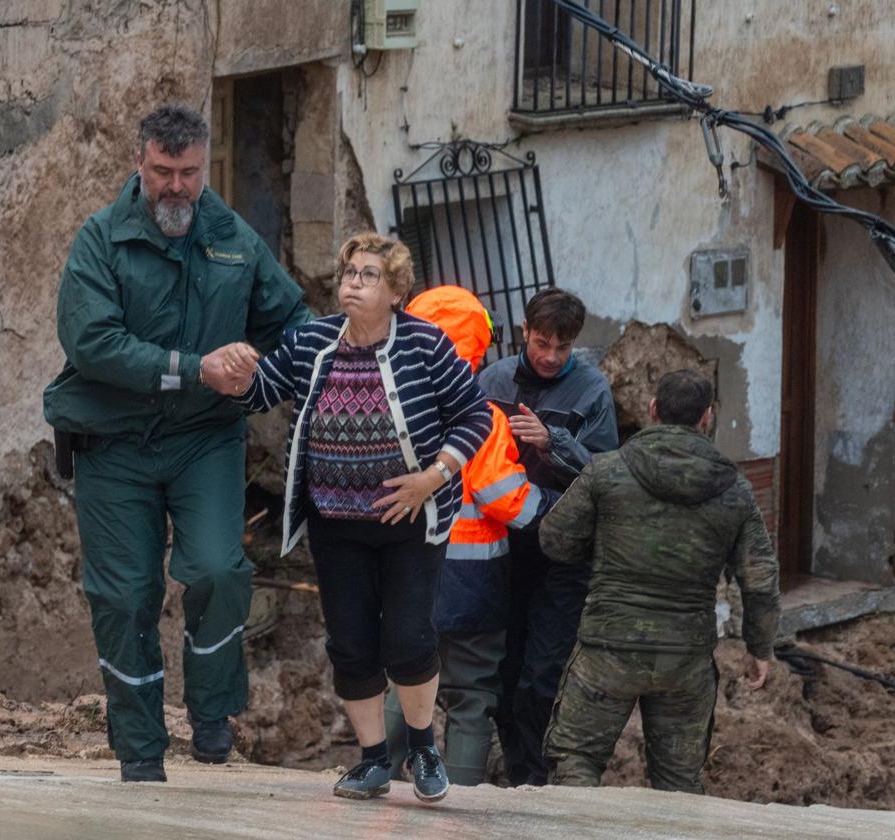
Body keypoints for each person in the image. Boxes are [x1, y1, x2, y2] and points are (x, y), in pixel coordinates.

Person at [42, 104, 309, 783]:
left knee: (219, 570)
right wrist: (195, 369)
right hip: (114, 442)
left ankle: (212, 716)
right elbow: (92, 342)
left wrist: (265, 377)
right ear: (141, 164)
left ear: (203, 167)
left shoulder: (232, 239)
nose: (176, 188)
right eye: (163, 172)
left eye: (189, 173)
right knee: (125, 594)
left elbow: (293, 322)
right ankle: (139, 752)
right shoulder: (101, 239)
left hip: (204, 439)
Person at [219, 234, 492, 803]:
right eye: (348, 273)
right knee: (350, 643)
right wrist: (241, 373)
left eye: (369, 275)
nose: (353, 283)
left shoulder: (425, 345)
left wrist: (433, 477)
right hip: (335, 523)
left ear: (397, 290)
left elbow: (474, 416)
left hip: (410, 521)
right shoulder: (312, 341)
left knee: (409, 638)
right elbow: (263, 391)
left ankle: (422, 748)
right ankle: (372, 761)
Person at [540, 369, 781, 792]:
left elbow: (555, 540)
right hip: (685, 659)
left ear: (652, 409)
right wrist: (759, 647)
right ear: (707, 417)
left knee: (575, 762)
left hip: (607, 649)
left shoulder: (607, 471)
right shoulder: (735, 490)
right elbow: (759, 577)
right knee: (679, 784)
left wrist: (604, 550)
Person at [383, 286, 557, 786]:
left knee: (404, 683)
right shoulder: (482, 416)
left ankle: (379, 778)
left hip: (403, 579)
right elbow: (511, 502)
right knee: (471, 695)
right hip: (471, 585)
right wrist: (557, 506)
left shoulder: (384, 409)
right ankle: (457, 801)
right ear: (476, 346)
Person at [478, 288, 617, 786]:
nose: (551, 357)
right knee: (503, 669)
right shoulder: (491, 379)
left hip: (564, 553)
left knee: (542, 675)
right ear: (524, 332)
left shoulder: (592, 391)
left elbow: (605, 474)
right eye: (542, 343)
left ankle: (538, 779)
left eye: (562, 347)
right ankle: (516, 770)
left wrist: (551, 441)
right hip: (500, 548)